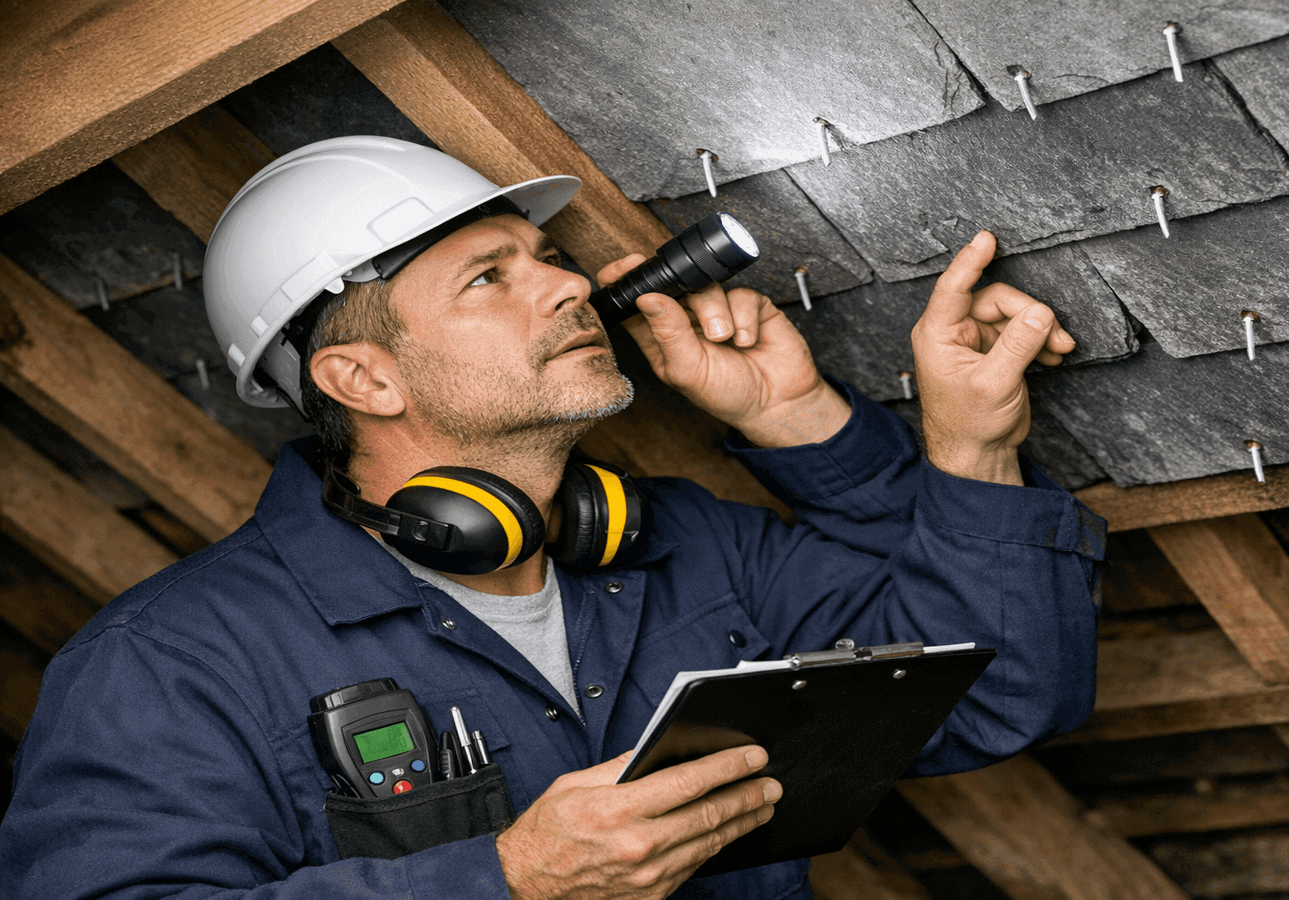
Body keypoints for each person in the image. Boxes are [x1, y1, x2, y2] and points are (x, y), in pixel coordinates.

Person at [0, 137, 1103, 899]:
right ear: (363, 379)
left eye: (552, 261)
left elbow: (1005, 693)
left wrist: (841, 428)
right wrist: (508, 880)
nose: (570, 288)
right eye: (490, 277)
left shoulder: (693, 545)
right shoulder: (170, 663)